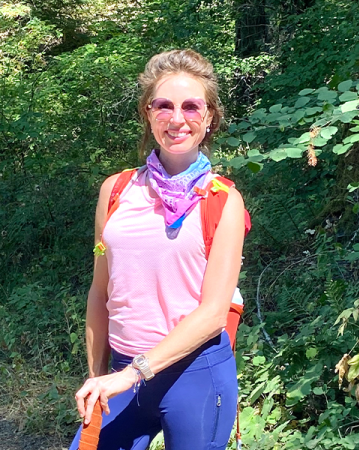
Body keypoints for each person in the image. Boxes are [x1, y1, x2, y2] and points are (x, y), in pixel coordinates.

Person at [69, 49, 247, 450]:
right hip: (121, 369)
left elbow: (213, 314)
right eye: (163, 106)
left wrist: (131, 374)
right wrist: (98, 376)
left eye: (191, 107)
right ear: (147, 114)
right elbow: (101, 293)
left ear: (210, 118)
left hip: (195, 375)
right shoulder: (115, 190)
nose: (177, 119)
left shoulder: (222, 200)